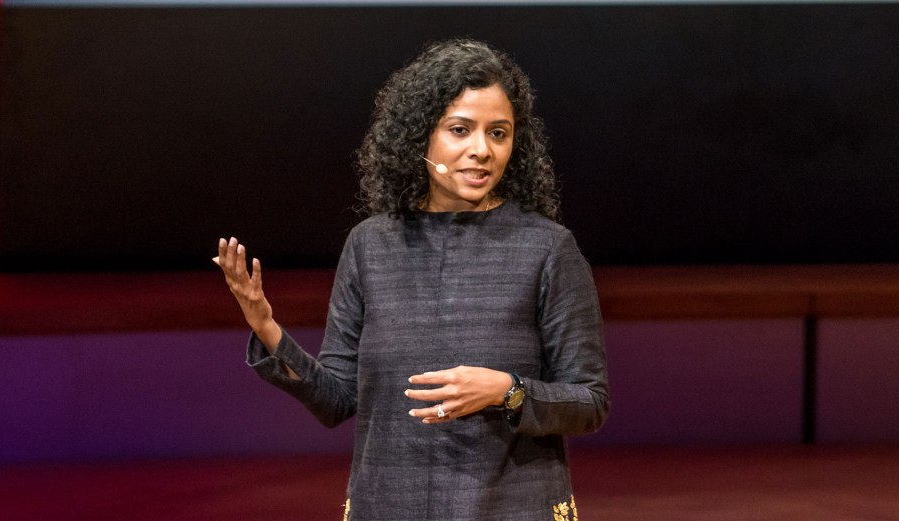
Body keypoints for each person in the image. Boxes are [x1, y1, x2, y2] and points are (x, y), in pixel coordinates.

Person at [214, 39, 609, 521]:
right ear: (420, 136)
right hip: (388, 504)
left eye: (499, 133)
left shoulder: (547, 249)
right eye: (460, 130)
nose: (481, 150)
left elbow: (589, 401)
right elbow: (336, 399)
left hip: (510, 506)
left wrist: (508, 390)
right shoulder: (370, 246)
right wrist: (267, 328)